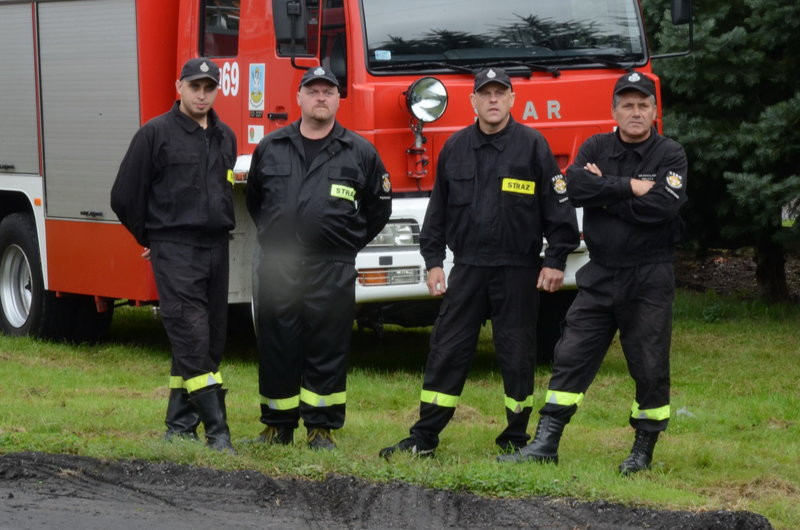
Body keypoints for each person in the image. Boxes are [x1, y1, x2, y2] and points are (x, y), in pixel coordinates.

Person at [379, 68, 580, 458]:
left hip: (518, 268)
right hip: (468, 267)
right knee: (446, 350)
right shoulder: (455, 148)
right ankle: (424, 438)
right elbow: (436, 214)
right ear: (472, 101)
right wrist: (433, 261)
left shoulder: (532, 146)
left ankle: (517, 440)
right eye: (484, 94)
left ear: (511, 100)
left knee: (517, 354)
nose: (492, 100)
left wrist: (555, 259)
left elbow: (560, 214)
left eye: (499, 93)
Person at [498, 72, 688, 474]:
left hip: (648, 275)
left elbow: (662, 209)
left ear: (654, 112)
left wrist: (608, 194)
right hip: (600, 274)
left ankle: (642, 450)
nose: (635, 112)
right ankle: (545, 443)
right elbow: (574, 188)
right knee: (570, 354)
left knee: (649, 364)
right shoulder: (596, 145)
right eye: (627, 105)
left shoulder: (670, 154)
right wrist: (631, 187)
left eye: (643, 105)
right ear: (614, 110)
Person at [246, 66, 391, 450]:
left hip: (332, 265)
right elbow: (256, 201)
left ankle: (320, 428)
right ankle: (277, 425)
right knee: (277, 342)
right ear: (299, 98)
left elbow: (379, 208)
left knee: (326, 345)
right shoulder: (272, 146)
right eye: (314, 91)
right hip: (279, 264)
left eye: (329, 91)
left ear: (338, 98)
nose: (321, 97)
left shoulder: (359, 151)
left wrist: (347, 243)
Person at [111, 57, 237, 453]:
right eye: (195, 86)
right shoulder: (155, 134)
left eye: (209, 87)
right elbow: (124, 196)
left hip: (217, 249)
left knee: (211, 341)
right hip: (176, 249)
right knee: (192, 337)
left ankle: (179, 427)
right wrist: (150, 237)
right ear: (178, 87)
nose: (202, 94)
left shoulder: (225, 136)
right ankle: (219, 433)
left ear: (217, 91)